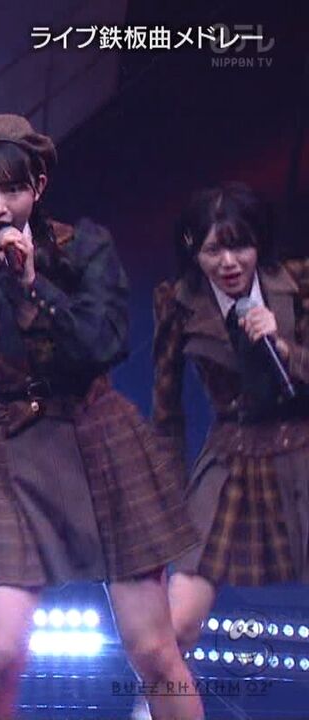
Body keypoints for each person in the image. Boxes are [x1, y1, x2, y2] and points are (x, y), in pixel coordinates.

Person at [0, 114, 202, 719]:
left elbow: (104, 343)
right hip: (14, 458)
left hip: (102, 441)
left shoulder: (82, 248)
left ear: (38, 188)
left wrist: (33, 285)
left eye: (11, 190)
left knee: (153, 650)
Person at [149, 182, 309, 716]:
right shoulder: (177, 302)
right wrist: (165, 506)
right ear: (193, 250)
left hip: (301, 444)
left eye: (239, 245)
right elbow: (167, 412)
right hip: (231, 457)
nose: (229, 262)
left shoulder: (299, 282)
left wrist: (283, 345)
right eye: (213, 249)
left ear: (259, 241)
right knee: (174, 627)